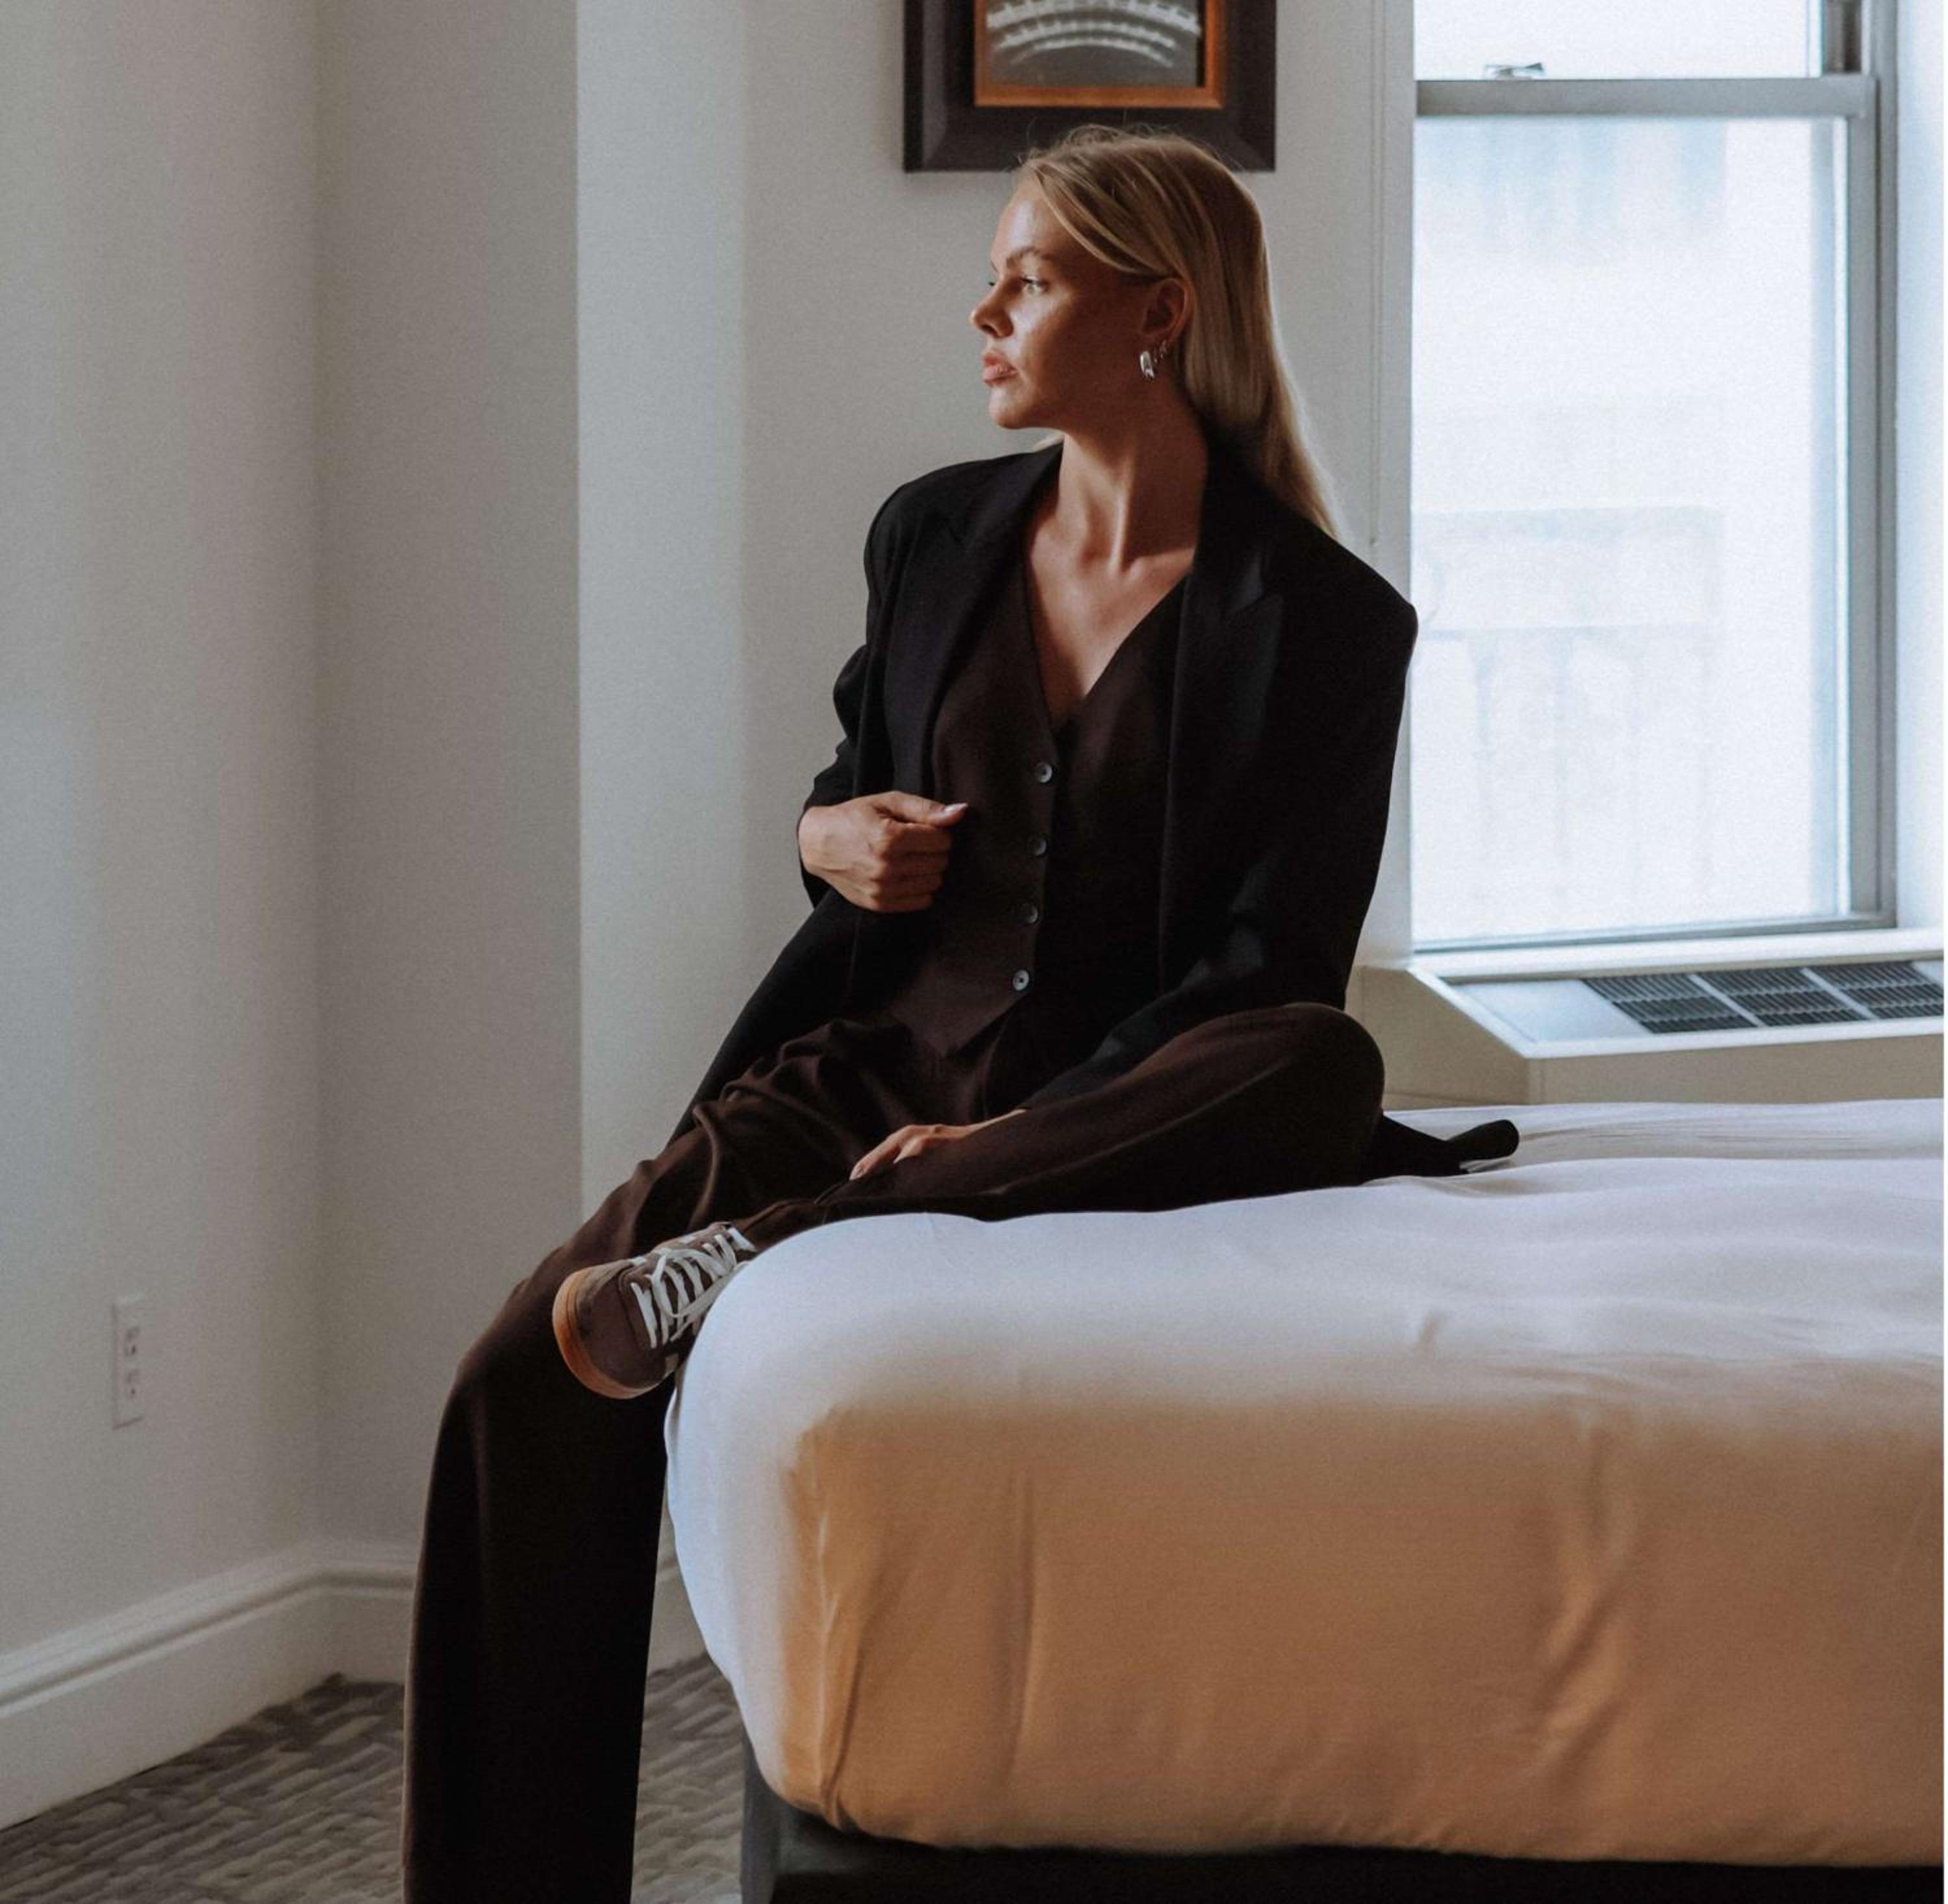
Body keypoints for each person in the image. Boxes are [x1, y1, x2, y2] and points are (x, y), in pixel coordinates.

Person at [399, 121, 1517, 1903]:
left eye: (1030, 278)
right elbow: (846, 797)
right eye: (993, 276)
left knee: (1320, 1053)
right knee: (514, 1381)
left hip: (1114, 1107)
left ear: (1158, 313)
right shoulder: (930, 537)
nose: (984, 311)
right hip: (868, 1071)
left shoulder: (1320, 621)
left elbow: (1277, 962)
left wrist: (1016, 1131)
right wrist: (821, 837)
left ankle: (818, 1232)